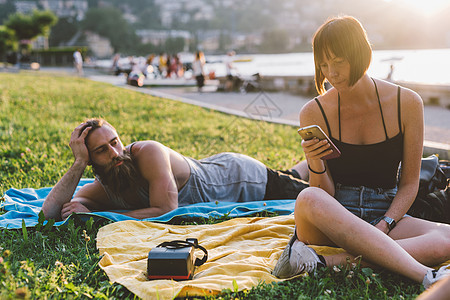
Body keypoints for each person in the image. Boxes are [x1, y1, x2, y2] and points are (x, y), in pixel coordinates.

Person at [272, 16, 450, 290]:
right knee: (308, 197)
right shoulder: (314, 111)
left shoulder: (408, 103)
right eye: (323, 64)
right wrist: (314, 162)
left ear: (361, 55)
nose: (331, 72)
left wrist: (385, 224)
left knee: (446, 238)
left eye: (338, 61)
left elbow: (410, 184)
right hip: (333, 217)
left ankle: (321, 263)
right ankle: (424, 275)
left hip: (385, 212)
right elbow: (324, 195)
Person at [41, 118, 309, 221]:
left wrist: (101, 214)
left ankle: (319, 162)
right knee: (292, 176)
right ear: (90, 159)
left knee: (314, 195)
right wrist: (77, 164)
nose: (114, 153)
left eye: (115, 142)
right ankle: (306, 165)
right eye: (101, 150)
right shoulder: (107, 183)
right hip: (223, 171)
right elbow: (50, 213)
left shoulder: (148, 152)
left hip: (241, 179)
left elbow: (164, 210)